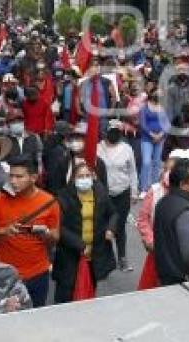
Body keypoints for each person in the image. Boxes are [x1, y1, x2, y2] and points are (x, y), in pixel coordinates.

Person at [0, 153, 60, 308]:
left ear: (33, 177)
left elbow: (55, 237)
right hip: (3, 274)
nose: (13, 181)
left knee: (35, 317)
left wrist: (45, 234)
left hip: (38, 273)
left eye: (19, 177)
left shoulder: (49, 202)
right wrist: (3, 232)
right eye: (11, 176)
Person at [52, 160, 117, 303]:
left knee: (88, 290)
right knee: (66, 292)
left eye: (88, 175)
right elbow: (58, 226)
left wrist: (111, 228)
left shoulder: (100, 192)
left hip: (94, 253)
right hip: (70, 255)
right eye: (80, 176)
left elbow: (113, 213)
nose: (85, 179)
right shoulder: (63, 197)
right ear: (73, 179)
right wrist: (79, 244)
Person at [153, 157, 189, 285]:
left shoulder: (163, 202)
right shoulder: (185, 211)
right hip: (182, 281)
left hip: (164, 276)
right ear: (183, 184)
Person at [95, 120, 138, 272]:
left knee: (119, 227)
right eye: (112, 131)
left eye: (118, 132)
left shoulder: (127, 148)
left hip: (122, 192)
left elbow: (132, 171)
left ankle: (122, 258)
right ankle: (104, 260)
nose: (114, 134)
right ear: (105, 132)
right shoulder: (97, 148)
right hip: (103, 194)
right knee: (102, 226)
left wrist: (134, 191)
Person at [138, 89, 169, 196]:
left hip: (160, 138)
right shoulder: (144, 107)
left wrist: (161, 134)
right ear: (152, 94)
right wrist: (152, 134)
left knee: (157, 162)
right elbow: (142, 123)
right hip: (147, 138)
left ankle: (154, 186)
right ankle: (143, 188)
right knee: (146, 162)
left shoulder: (163, 107)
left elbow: (167, 123)